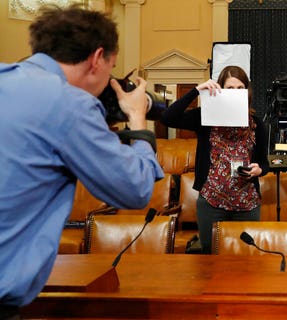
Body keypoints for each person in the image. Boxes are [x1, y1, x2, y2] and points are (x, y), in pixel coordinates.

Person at [0, 5, 163, 313]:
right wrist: (138, 120)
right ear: (97, 58)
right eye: (111, 67)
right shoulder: (69, 104)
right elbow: (135, 189)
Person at [161, 66, 269, 254]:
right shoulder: (205, 117)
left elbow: (264, 163)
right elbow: (168, 118)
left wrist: (259, 170)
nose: (235, 92)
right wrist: (196, 91)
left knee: (245, 260)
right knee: (210, 258)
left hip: (247, 204)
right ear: (220, 89)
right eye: (229, 88)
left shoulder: (257, 124)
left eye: (240, 88)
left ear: (247, 91)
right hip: (211, 203)